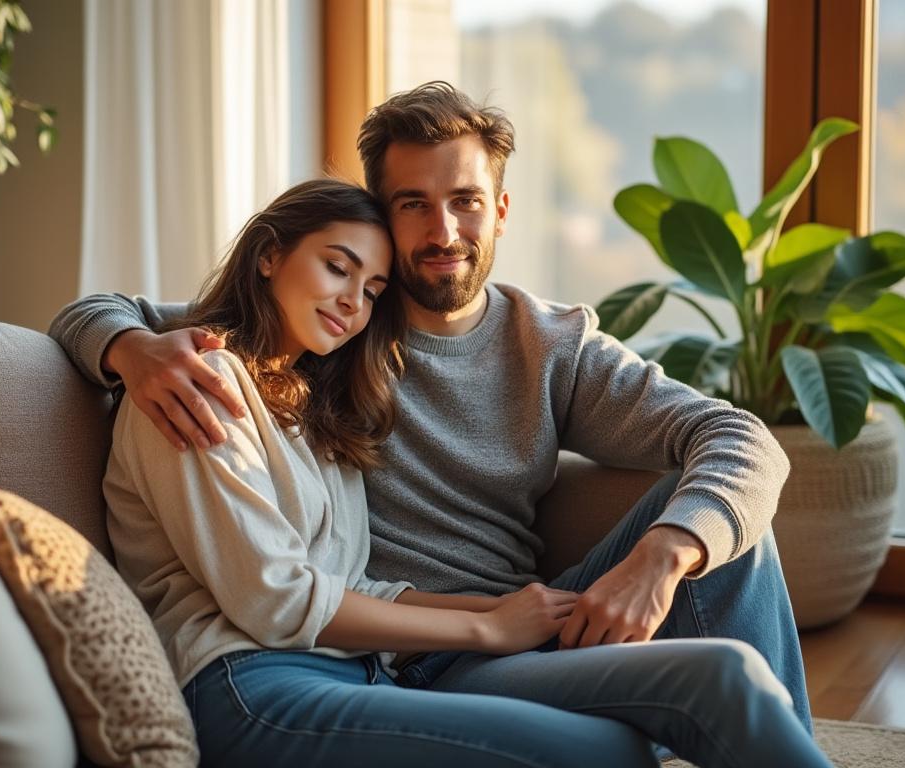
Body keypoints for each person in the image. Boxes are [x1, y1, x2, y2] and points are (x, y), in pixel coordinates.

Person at [61, 84, 832, 767]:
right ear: (380, 216)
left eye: (464, 199)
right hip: (402, 653)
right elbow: (101, 312)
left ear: (498, 209)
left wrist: (664, 555)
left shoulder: (547, 342)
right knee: (662, 716)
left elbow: (743, 439)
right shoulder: (322, 329)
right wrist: (131, 352)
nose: (442, 231)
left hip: (511, 621)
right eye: (411, 205)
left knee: (724, 530)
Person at [103, 178, 664, 767]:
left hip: (355, 673)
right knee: (599, 749)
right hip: (247, 684)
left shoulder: (316, 416)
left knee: (623, 740)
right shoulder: (194, 386)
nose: (353, 302)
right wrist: (487, 632)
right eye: (337, 268)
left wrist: (507, 610)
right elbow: (278, 600)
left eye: (372, 290)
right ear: (268, 255)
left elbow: (354, 586)